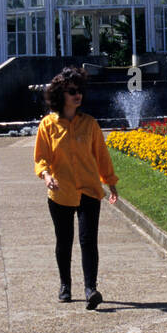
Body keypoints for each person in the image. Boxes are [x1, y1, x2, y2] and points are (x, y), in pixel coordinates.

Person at [34, 66, 119, 309]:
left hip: (90, 190)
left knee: (88, 240)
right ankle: (65, 285)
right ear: (61, 94)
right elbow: (41, 158)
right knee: (64, 241)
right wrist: (47, 175)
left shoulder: (89, 124)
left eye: (79, 90)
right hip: (60, 192)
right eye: (72, 91)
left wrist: (110, 182)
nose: (77, 95)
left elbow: (101, 156)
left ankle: (91, 288)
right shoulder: (48, 125)